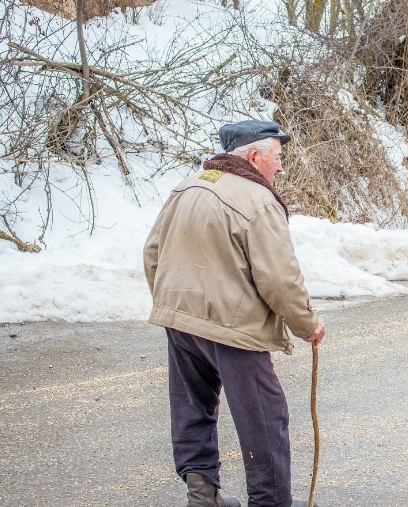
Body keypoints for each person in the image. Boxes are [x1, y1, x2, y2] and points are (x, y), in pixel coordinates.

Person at [143, 119, 325, 507]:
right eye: (277, 158)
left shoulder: (187, 186)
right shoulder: (258, 201)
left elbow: (152, 253)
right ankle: (270, 502)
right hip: (232, 328)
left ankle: (202, 496)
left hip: (180, 320)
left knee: (193, 408)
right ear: (255, 155)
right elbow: (280, 279)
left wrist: (173, 302)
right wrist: (306, 324)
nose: (280, 167)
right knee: (264, 419)